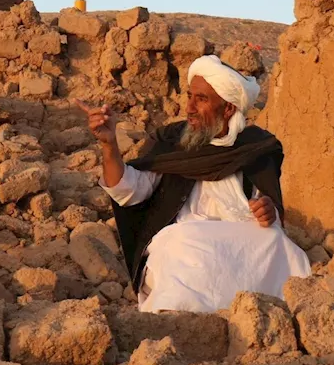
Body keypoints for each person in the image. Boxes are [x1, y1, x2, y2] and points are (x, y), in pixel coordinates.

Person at [81, 55, 311, 314]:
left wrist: (269, 212)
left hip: (237, 240)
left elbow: (270, 210)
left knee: (277, 243)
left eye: (201, 99)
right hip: (187, 245)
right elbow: (127, 191)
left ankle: (267, 311)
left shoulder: (254, 148)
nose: (189, 107)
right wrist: (109, 145)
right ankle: (179, 316)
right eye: (190, 96)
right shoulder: (170, 143)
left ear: (228, 109)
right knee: (185, 241)